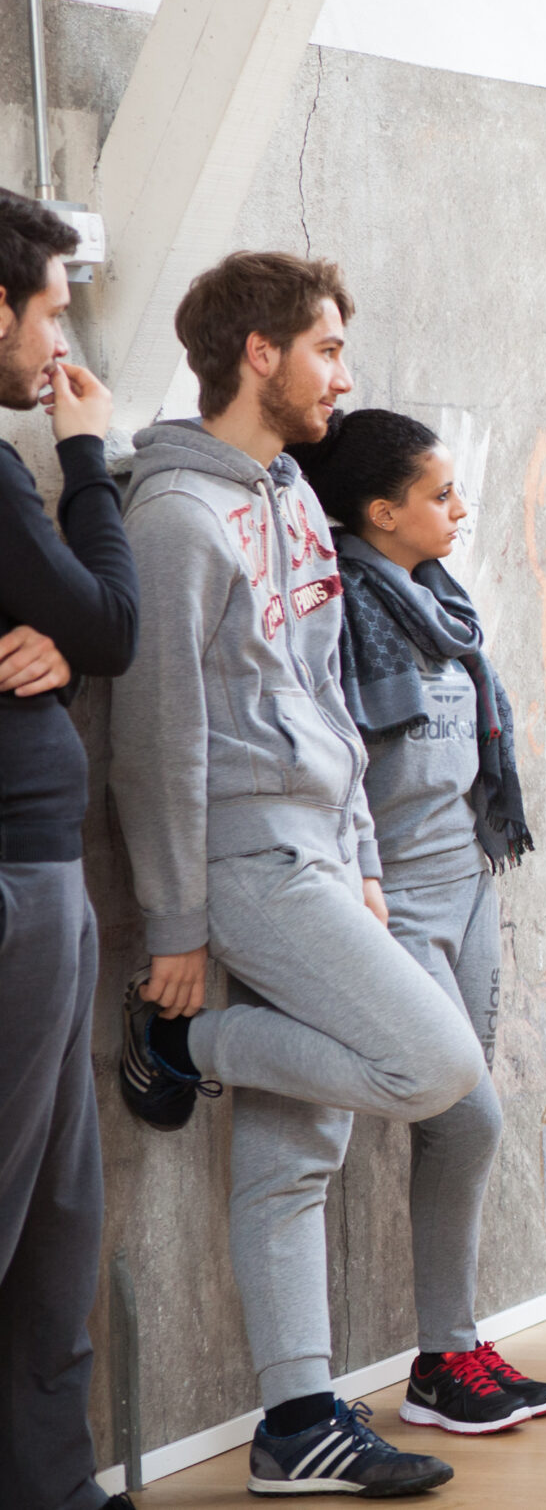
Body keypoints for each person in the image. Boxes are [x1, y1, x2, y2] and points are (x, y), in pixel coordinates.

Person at [111, 252, 486, 1497]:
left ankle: (297, 1422)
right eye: (327, 349)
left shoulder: (285, 498)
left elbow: (327, 694)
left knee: (299, 1152)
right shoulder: (177, 516)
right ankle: (186, 1043)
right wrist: (175, 926)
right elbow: (157, 735)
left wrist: (365, 855)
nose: (343, 375)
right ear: (258, 353)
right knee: (435, 1065)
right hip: (248, 855)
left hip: (323, 846)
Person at [285, 408, 546, 1434]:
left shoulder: (441, 599)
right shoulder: (338, 604)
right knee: (468, 1113)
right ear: (380, 511)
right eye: (440, 495)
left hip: (470, 881)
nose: (460, 508)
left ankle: (449, 1352)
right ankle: (442, 1355)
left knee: (460, 1124)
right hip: (391, 899)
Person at [0, 189, 140, 1510]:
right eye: (50, 311)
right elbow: (109, 621)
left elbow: (81, 631)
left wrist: (69, 640)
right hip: (14, 883)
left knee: (57, 1213)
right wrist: (86, 457)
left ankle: (56, 1487)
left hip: (41, 872)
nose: (59, 345)